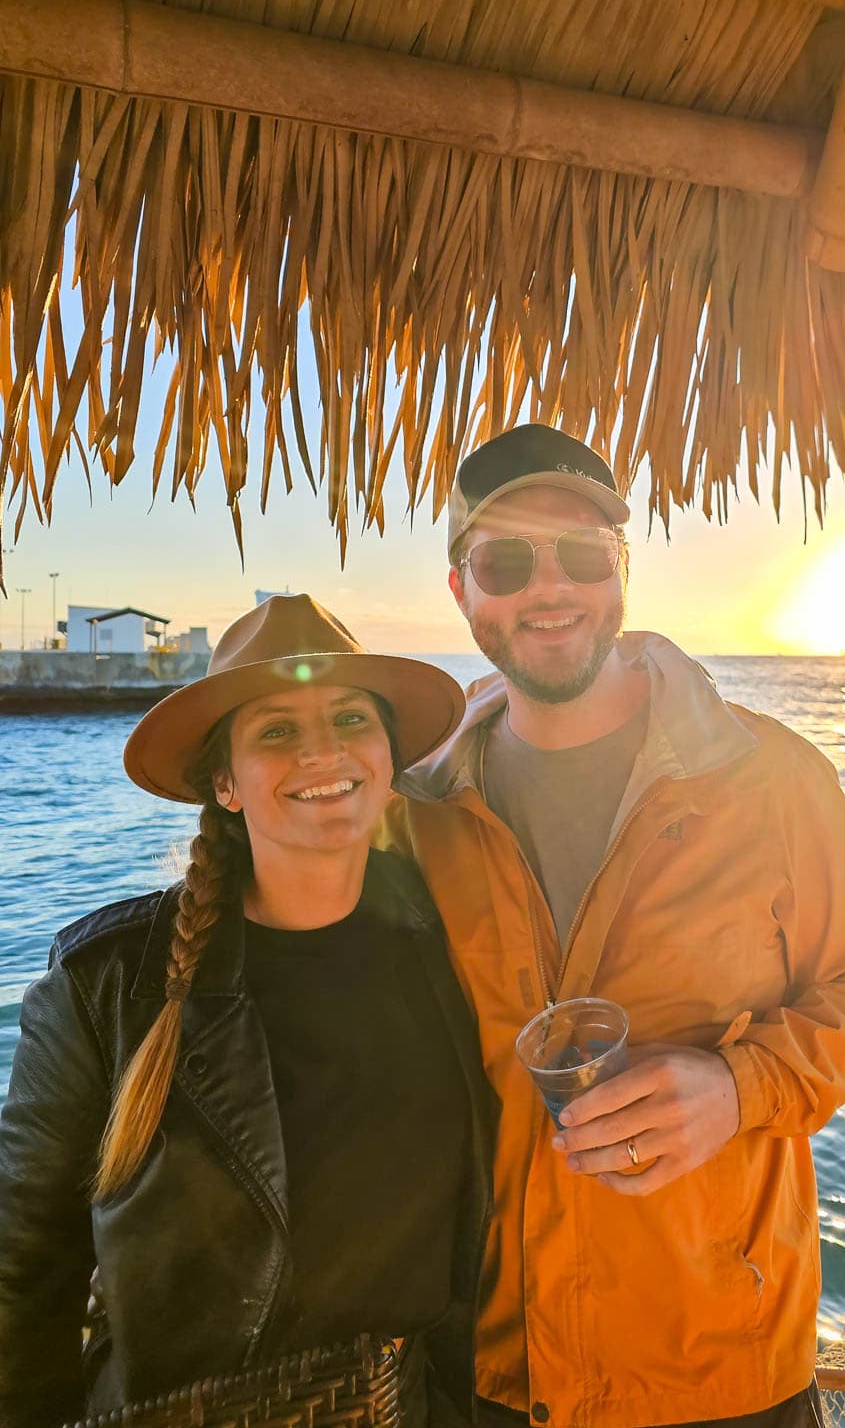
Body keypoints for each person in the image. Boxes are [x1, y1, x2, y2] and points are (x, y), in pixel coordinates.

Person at [380, 424, 845, 1428]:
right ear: (461, 590)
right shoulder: (416, 811)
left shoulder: (769, 778)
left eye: (582, 552)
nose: (551, 587)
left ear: (623, 569)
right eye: (506, 559)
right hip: (490, 1370)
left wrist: (739, 1084)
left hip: (721, 1372)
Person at [0, 594, 493, 1428]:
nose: (323, 751)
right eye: (275, 731)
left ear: (388, 755)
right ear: (224, 783)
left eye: (349, 719)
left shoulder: (459, 944)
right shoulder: (106, 982)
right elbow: (24, 1270)